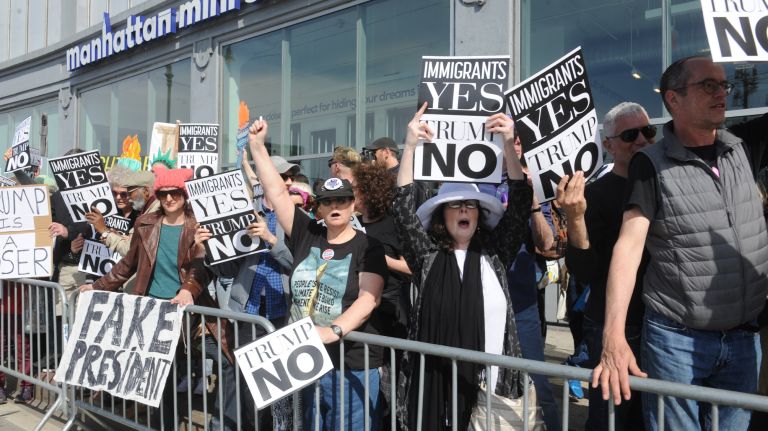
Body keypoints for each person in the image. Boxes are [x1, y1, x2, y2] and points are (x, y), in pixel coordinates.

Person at [594, 55, 768, 430]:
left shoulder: (743, 147)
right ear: (673, 99)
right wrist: (613, 337)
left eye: (724, 85)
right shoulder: (650, 164)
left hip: (743, 339)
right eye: (708, 85)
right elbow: (629, 246)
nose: (721, 93)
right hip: (677, 341)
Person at [393, 104, 531, 430]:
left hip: (491, 391)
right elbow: (401, 207)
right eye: (454, 204)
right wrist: (410, 146)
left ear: (480, 214)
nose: (463, 209)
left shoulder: (496, 255)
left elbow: (521, 200)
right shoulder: (426, 257)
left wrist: (509, 143)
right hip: (433, 388)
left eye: (470, 204)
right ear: (442, 216)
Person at [247, 118, 387, 431]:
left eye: (342, 200)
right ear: (319, 208)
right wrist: (257, 146)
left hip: (349, 363)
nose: (335, 206)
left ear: (353, 206)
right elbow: (277, 193)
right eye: (328, 202)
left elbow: (369, 299)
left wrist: (332, 331)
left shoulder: (370, 246)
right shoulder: (307, 233)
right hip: (303, 357)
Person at [80, 165, 230, 431]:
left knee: (227, 362)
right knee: (162, 379)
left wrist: (189, 287)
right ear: (157, 196)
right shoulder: (146, 223)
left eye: (175, 193)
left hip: (193, 314)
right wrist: (99, 286)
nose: (170, 199)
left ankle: (224, 424)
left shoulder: (199, 225)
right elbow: (128, 264)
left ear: (184, 194)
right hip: (153, 312)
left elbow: (202, 266)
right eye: (164, 194)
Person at [558, 101, 655, 430]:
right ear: (609, 144)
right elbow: (586, 272)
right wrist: (574, 218)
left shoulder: (667, 181)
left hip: (667, 325)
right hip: (617, 328)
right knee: (612, 418)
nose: (642, 139)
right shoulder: (594, 194)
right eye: (630, 134)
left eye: (648, 131)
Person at [199, 150, 296, 431]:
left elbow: (298, 265)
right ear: (267, 180)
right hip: (248, 318)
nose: (289, 181)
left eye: (291, 176)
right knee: (245, 388)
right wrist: (210, 248)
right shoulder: (244, 214)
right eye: (283, 176)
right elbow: (228, 272)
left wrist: (270, 238)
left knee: (277, 392)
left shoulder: (298, 218)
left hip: (282, 318)